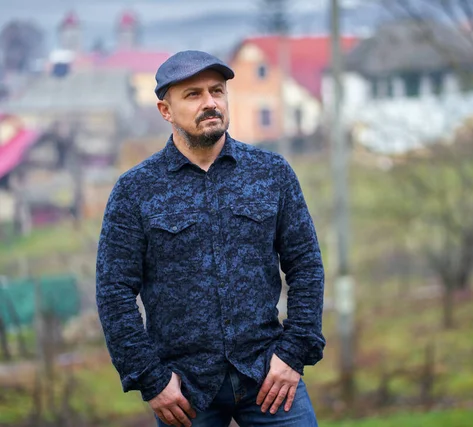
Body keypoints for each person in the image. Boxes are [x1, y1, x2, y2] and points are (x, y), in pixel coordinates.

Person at [96, 50, 326, 427]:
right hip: (185, 389)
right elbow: (113, 291)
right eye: (193, 94)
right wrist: (151, 380)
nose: (210, 103)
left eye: (217, 91)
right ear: (165, 110)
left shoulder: (272, 174)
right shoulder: (135, 190)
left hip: (268, 374)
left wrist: (292, 354)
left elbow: (306, 267)